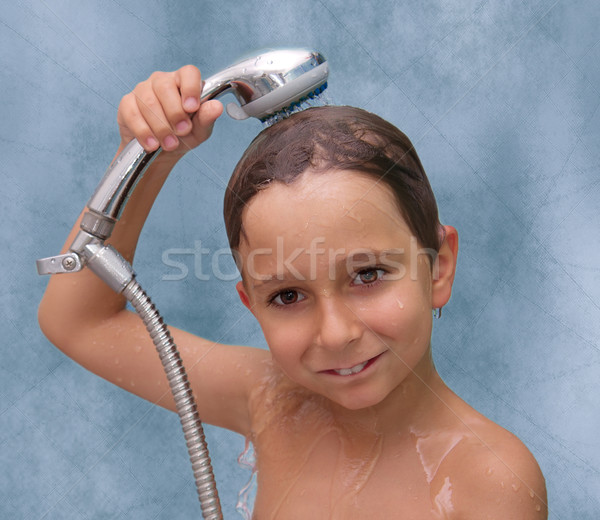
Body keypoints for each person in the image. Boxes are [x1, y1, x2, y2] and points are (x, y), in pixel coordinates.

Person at [38, 64, 547, 518]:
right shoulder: (273, 401)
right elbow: (80, 321)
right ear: (251, 304)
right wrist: (149, 156)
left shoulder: (488, 480)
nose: (336, 333)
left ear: (438, 268)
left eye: (367, 275)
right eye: (287, 296)